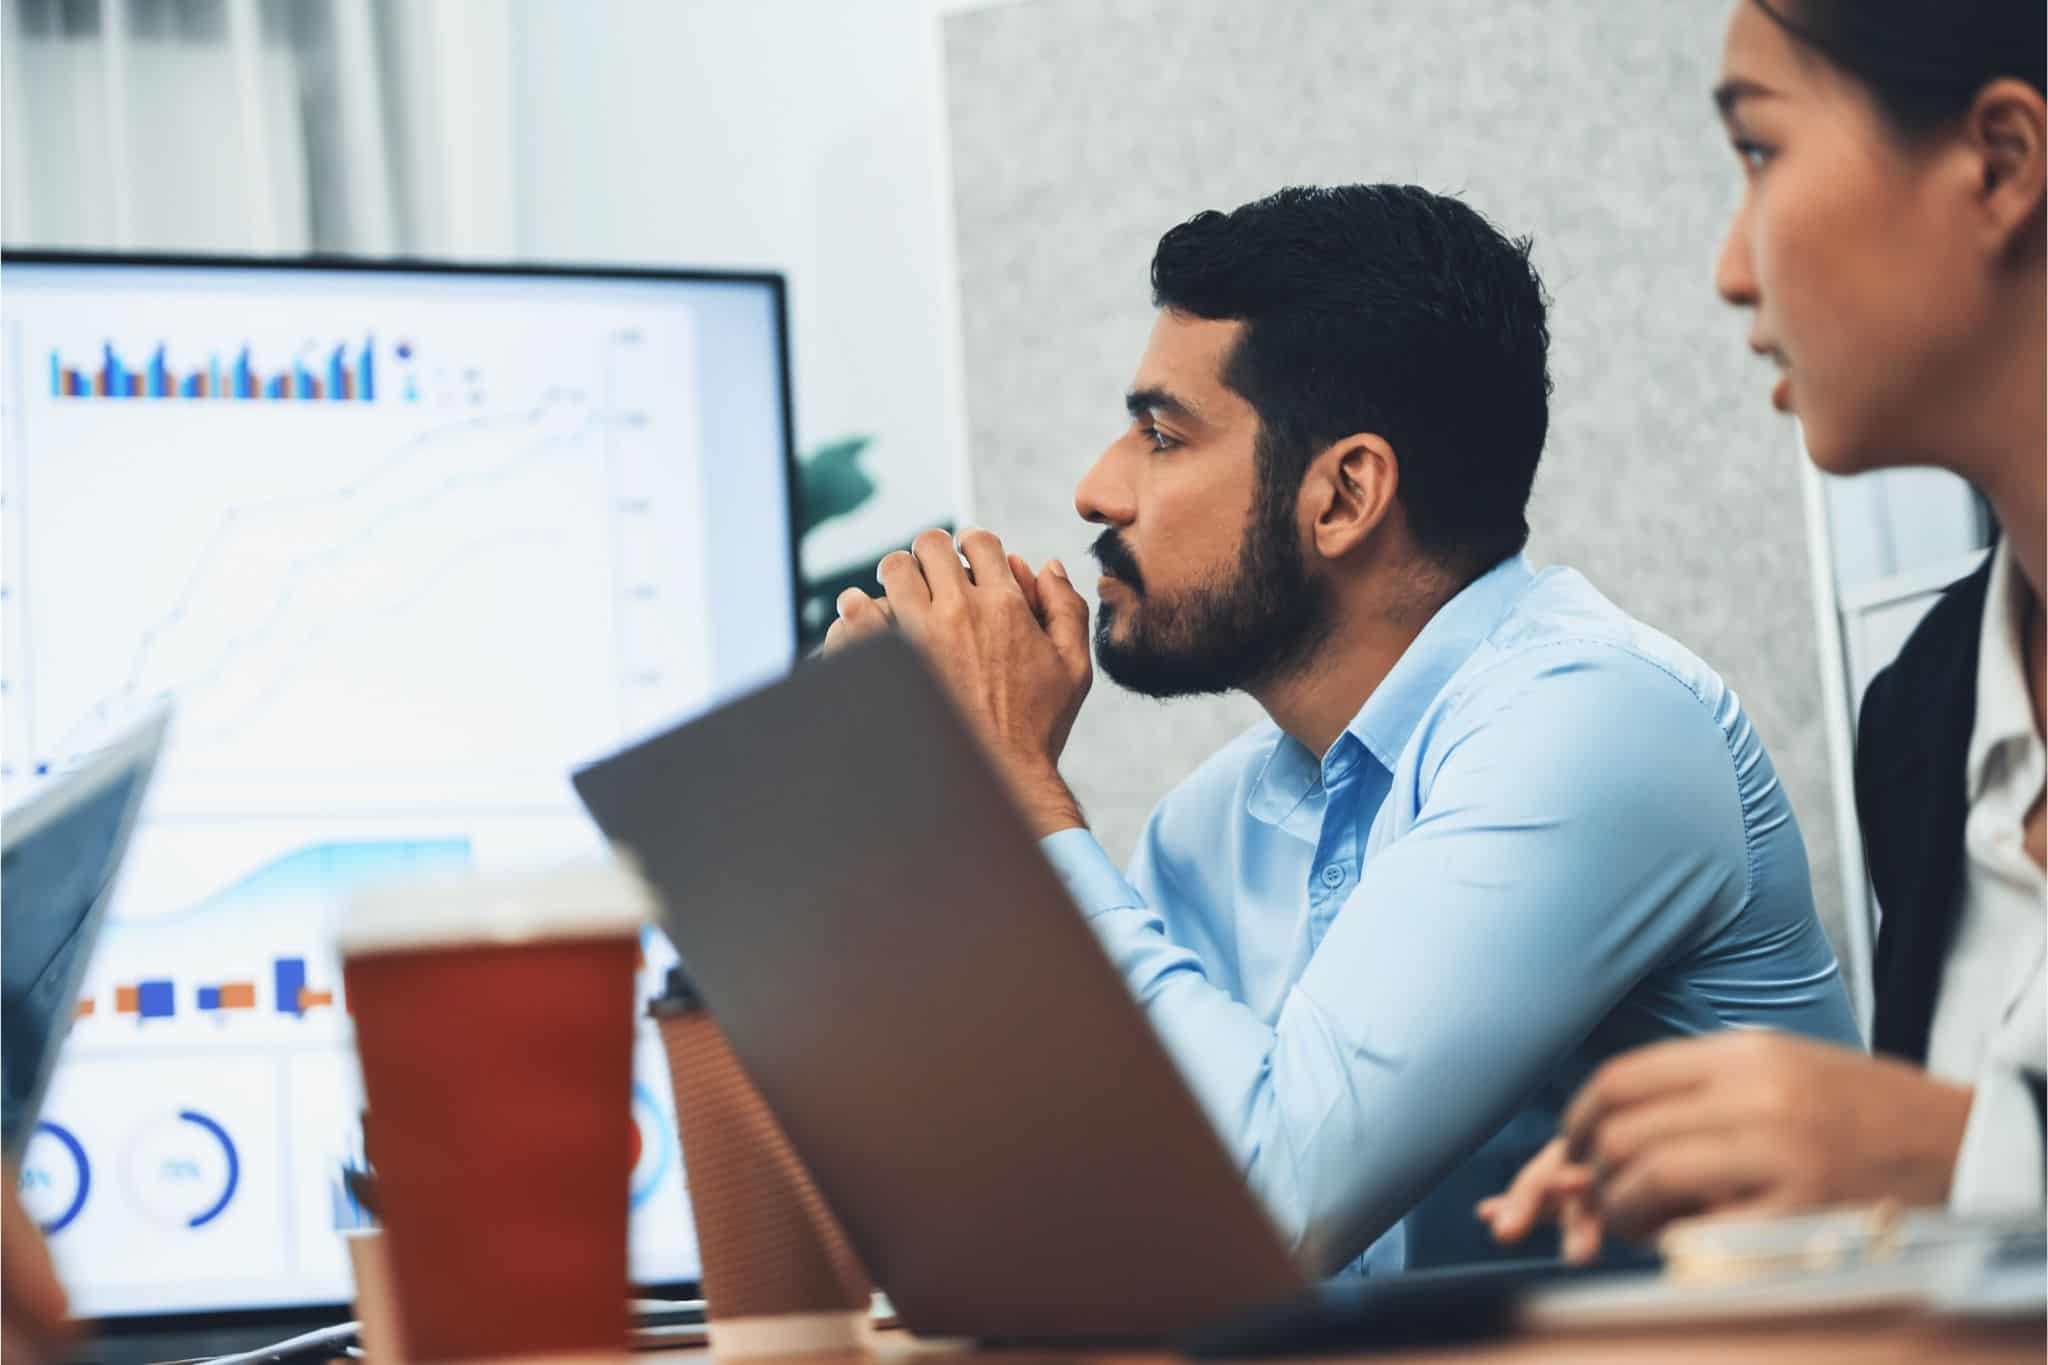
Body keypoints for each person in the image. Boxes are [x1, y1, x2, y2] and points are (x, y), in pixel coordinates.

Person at [825, 183, 1860, 1274]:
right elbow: (1078, 1220)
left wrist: (1007, 791)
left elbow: (1268, 1200)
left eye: (1160, 436)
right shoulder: (1212, 826)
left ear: (1342, 496)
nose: (1095, 490)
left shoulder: (1595, 726)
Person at [1481, 0, 2045, 1260]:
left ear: (1999, 162)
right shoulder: (1924, 709)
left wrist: (1958, 1156)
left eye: (1758, 152)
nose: (1731, 267)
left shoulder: (1593, 714)